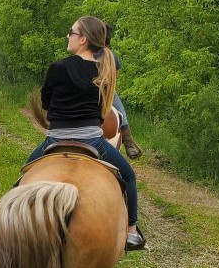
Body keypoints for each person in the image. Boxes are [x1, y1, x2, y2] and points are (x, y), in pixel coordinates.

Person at [27, 16, 147, 251]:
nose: (67, 36)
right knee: (129, 176)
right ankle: (132, 232)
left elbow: (46, 108)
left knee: (23, 177)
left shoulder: (57, 67)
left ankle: (11, 220)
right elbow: (103, 115)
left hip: (55, 139)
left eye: (71, 32)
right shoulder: (104, 72)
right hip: (92, 140)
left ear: (82, 40)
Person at [104, 24, 143, 160]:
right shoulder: (112, 56)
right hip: (107, 91)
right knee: (122, 113)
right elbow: (115, 78)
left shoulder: (89, 52)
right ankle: (129, 144)